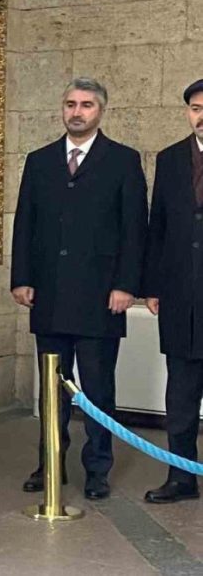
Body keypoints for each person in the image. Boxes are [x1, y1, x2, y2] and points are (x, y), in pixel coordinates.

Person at [11, 78, 147, 500]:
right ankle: (49, 462)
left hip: (100, 297)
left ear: (100, 111)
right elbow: (25, 222)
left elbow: (134, 230)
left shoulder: (122, 160)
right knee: (52, 388)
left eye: (86, 105)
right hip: (49, 295)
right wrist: (21, 277)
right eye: (70, 103)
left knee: (98, 388)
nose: (77, 111)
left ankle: (98, 468)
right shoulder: (39, 161)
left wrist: (126, 286)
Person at [141, 79, 203, 504]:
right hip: (181, 297)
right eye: (196, 108)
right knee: (180, 395)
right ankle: (182, 477)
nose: (201, 116)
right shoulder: (170, 159)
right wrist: (152, 286)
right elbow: (157, 226)